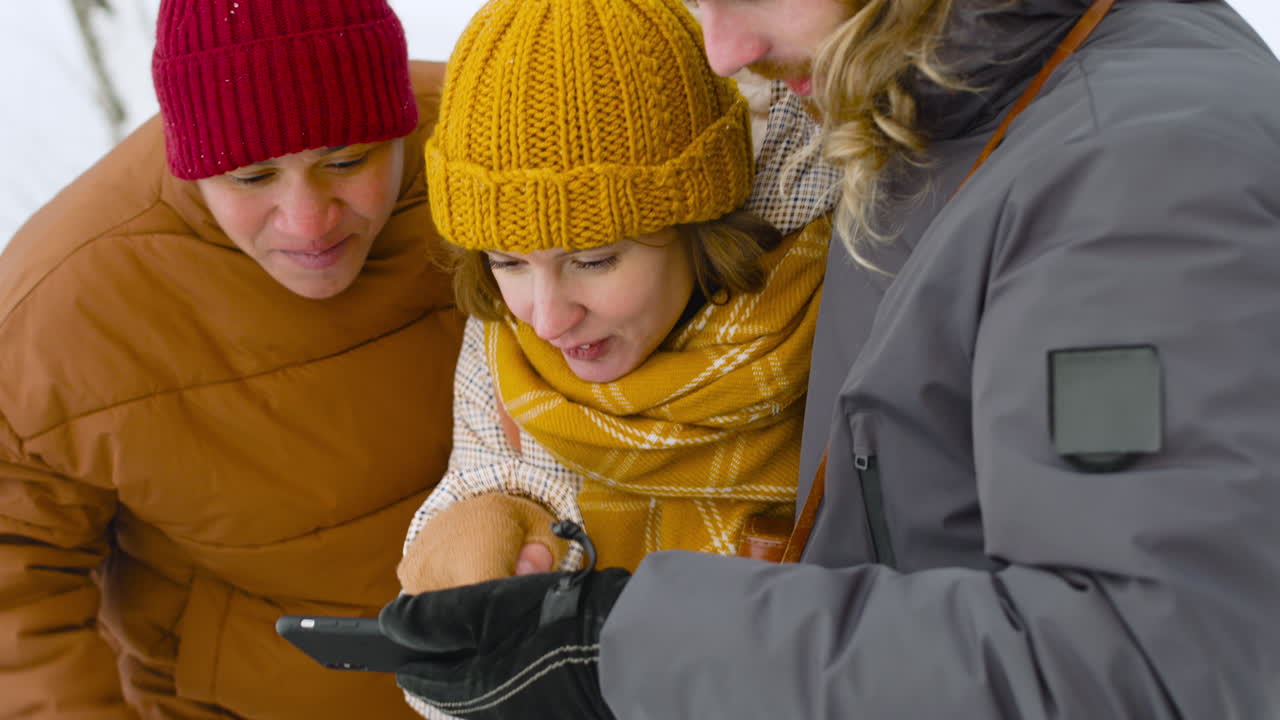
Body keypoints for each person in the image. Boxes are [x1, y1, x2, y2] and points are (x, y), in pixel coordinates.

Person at [377, 0, 1280, 718]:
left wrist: (629, 645)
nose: (723, 48)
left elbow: (1152, 669)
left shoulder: (1130, 176)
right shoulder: (921, 106)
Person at [0, 0, 466, 717]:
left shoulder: (490, 147)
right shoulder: (62, 309)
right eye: (251, 178)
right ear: (191, 158)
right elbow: (17, 602)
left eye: (346, 160)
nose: (308, 222)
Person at [393, 0, 828, 620]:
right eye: (508, 261)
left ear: (698, 221)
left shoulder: (835, 314)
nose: (546, 321)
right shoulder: (499, 339)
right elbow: (492, 475)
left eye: (593, 260)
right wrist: (475, 542)